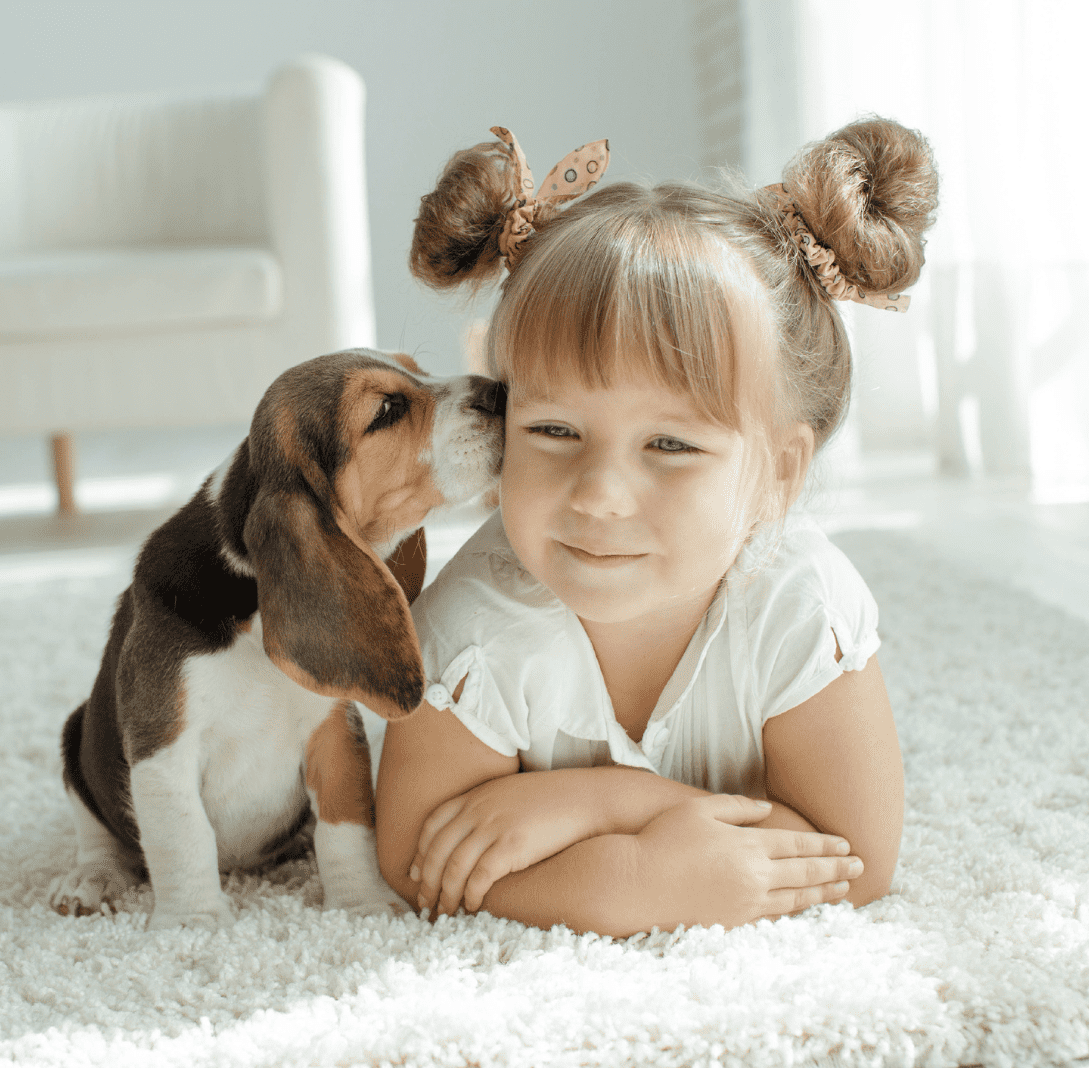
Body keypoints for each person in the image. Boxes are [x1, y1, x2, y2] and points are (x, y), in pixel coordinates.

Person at [373, 118, 939, 938]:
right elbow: (419, 858)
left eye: (670, 445)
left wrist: (605, 812)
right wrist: (621, 884)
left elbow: (853, 855)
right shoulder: (474, 636)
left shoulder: (800, 605)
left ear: (778, 472)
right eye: (554, 431)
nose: (599, 495)